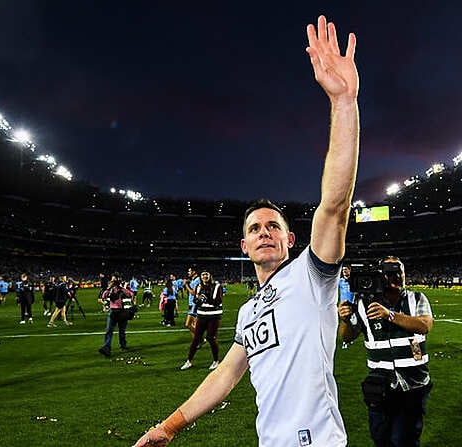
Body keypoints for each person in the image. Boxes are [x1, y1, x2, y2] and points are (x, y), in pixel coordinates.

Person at [133, 14, 359, 446]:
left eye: (274, 225)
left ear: (291, 240)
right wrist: (168, 427)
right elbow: (225, 375)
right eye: (255, 228)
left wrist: (343, 103)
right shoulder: (247, 312)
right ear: (244, 246)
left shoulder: (312, 276)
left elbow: (334, 206)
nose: (265, 232)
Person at [338, 257, 434, 446]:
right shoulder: (364, 304)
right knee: (381, 439)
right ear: (381, 276)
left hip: (413, 384)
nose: (396, 277)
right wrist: (345, 320)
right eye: (390, 273)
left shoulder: (417, 298)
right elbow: (347, 336)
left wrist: (389, 315)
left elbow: (424, 325)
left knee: (404, 440)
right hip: (380, 386)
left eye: (400, 272)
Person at [180, 271, 223, 370]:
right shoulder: (198, 287)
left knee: (210, 338)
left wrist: (206, 298)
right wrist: (198, 300)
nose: (205, 276)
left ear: (210, 276)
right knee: (196, 339)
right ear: (201, 277)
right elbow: (195, 300)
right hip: (201, 315)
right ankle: (189, 361)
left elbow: (218, 301)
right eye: (203, 275)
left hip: (213, 316)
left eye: (207, 274)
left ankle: (216, 361)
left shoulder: (217, 286)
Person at [98, 277, 136, 356]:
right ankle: (106, 348)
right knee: (109, 331)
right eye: (112, 280)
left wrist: (121, 288)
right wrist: (109, 288)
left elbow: (131, 294)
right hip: (113, 311)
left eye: (114, 280)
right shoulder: (110, 289)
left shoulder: (122, 289)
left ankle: (123, 345)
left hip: (122, 312)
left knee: (122, 331)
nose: (113, 282)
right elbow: (103, 296)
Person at [338, 265, 354, 349]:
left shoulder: (353, 281)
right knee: (345, 322)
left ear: (349, 271)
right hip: (344, 305)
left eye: (346, 270)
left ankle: (350, 338)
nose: (344, 271)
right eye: (343, 270)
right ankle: (345, 342)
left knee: (353, 323)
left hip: (352, 304)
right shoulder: (340, 281)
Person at [183, 268, 201, 339]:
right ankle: (196, 342)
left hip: (194, 304)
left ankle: (200, 338)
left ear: (194, 272)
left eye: (189, 271)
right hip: (191, 303)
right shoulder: (194, 280)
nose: (188, 273)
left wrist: (186, 285)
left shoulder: (197, 280)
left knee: (188, 324)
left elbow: (194, 293)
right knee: (193, 325)